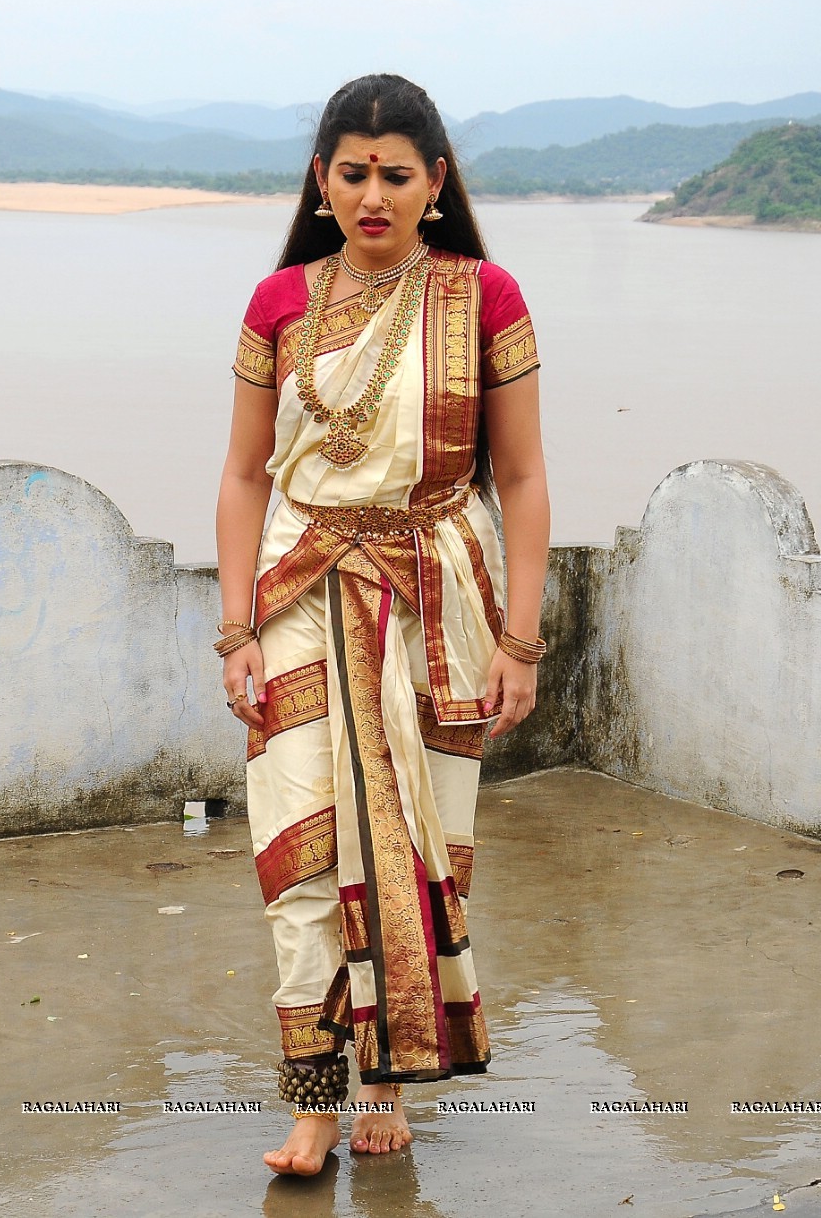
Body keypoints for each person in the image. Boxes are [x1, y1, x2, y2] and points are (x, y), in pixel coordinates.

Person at [213, 73, 551, 1177]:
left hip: (435, 597)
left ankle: (387, 1078)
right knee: (302, 843)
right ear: (319, 181)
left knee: (411, 840)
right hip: (299, 586)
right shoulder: (277, 303)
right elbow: (242, 474)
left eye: (394, 175)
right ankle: (312, 1100)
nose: (372, 195)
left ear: (434, 182)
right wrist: (235, 630)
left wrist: (519, 641)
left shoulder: (484, 296)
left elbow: (521, 475)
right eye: (352, 174)